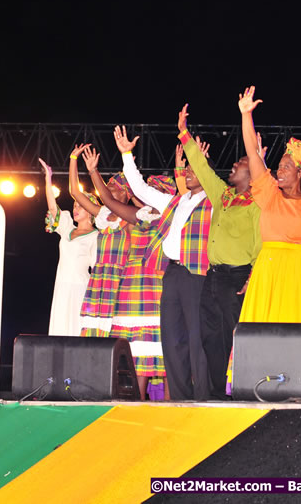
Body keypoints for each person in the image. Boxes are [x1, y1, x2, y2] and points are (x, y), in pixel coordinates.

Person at [226, 86, 301, 391]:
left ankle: (299, 385)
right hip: (269, 271)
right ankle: (262, 384)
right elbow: (252, 153)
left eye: (286, 166)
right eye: (279, 165)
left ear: (299, 172)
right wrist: (246, 116)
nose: (279, 170)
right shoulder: (269, 195)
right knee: (265, 327)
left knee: (298, 330)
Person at [116, 125, 215, 402]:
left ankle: (203, 397)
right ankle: (180, 399)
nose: (188, 173)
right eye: (188, 170)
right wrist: (126, 155)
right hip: (172, 273)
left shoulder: (216, 201)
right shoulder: (175, 201)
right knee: (172, 339)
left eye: (195, 170)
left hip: (199, 275)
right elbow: (140, 189)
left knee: (197, 340)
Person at [177, 104, 262, 400]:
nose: (234, 166)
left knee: (232, 335)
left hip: (238, 277)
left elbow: (261, 243)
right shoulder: (223, 194)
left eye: (240, 163)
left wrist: (253, 275)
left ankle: (237, 390)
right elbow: (202, 168)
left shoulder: (256, 203)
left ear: (251, 175)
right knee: (209, 336)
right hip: (212, 277)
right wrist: (184, 134)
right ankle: (216, 391)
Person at [81, 146, 172, 400]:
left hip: (157, 286)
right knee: (137, 351)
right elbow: (109, 200)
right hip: (132, 286)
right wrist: (93, 172)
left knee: (163, 349)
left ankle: (170, 407)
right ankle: (138, 403)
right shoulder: (139, 217)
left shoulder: (169, 215)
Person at [67, 144, 130, 339]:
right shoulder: (102, 216)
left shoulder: (132, 219)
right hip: (100, 280)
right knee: (94, 333)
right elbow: (76, 193)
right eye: (106, 189)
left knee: (118, 332)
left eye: (113, 189)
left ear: (127, 195)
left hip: (121, 280)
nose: (107, 193)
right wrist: (73, 160)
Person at [39, 156, 98, 337]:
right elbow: (53, 208)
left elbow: (96, 269)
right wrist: (48, 179)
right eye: (75, 205)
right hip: (62, 288)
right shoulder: (67, 228)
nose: (76, 208)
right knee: (59, 332)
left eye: (81, 205)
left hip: (80, 289)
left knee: (76, 332)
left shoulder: (96, 236)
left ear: (90, 211)